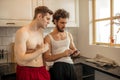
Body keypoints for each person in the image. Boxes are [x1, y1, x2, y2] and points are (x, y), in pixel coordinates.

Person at [14, 6, 53, 80]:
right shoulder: (22, 32)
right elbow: (20, 59)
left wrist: (44, 64)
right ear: (39, 16)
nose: (49, 22)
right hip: (27, 72)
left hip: (41, 70)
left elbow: (39, 52)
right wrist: (41, 50)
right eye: (47, 19)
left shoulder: (40, 31)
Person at [43, 9, 80, 80]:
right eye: (62, 23)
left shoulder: (69, 35)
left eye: (66, 23)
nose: (65, 26)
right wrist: (63, 54)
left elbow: (74, 49)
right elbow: (46, 57)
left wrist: (76, 52)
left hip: (70, 65)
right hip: (57, 67)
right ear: (55, 21)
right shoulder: (48, 38)